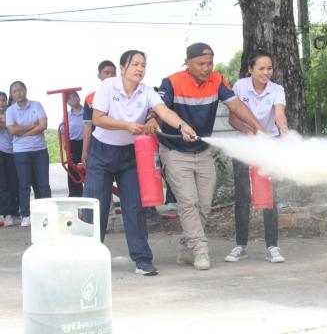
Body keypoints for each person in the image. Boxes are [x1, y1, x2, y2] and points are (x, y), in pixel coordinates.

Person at [150, 42, 264, 271]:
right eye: (200, 64)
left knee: (204, 204)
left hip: (203, 151)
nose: (206, 68)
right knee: (188, 202)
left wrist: (257, 126)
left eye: (209, 63)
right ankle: (201, 250)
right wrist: (156, 119)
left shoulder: (217, 80)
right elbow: (159, 108)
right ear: (187, 63)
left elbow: (235, 105)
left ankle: (186, 244)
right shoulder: (171, 82)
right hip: (174, 151)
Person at [82, 49, 197, 276]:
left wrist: (183, 126)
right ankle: (90, 259)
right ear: (123, 67)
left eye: (143, 65)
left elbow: (163, 111)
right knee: (97, 206)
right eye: (135, 64)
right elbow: (97, 119)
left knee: (134, 206)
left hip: (129, 155)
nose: (140, 69)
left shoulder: (146, 92)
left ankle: (142, 259)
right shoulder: (108, 87)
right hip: (101, 153)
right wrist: (126, 126)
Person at [223, 48, 288, 263]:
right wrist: (250, 133)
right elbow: (233, 119)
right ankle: (240, 245)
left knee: (269, 197)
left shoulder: (277, 89)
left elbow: (279, 114)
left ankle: (272, 247)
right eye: (261, 68)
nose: (266, 72)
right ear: (250, 69)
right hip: (244, 145)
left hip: (269, 146)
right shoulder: (240, 86)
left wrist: (286, 135)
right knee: (242, 197)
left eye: (269, 68)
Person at [6, 81, 51, 227]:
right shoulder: (11, 110)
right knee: (24, 185)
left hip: (39, 150)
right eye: (14, 91)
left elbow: (43, 125)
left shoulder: (36, 105)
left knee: (43, 184)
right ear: (12, 95)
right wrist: (33, 126)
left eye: (20, 90)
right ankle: (26, 214)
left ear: (25, 91)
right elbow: (12, 131)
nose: (18, 93)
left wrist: (24, 133)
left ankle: (47, 213)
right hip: (21, 152)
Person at [81, 60, 117, 166]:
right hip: (98, 146)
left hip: (123, 146)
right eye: (106, 73)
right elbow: (88, 125)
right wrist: (85, 151)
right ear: (99, 75)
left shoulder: (126, 94)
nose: (110, 76)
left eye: (113, 73)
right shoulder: (90, 98)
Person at [0, 91, 20, 227]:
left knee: (14, 183)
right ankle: (6, 214)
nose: (1, 103)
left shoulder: (12, 113)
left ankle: (14, 213)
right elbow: (10, 127)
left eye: (3, 100)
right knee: (3, 184)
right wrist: (8, 125)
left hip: (13, 151)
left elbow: (16, 127)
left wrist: (7, 123)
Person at [60, 91, 84, 197]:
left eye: (74, 96)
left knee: (89, 171)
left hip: (87, 144)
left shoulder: (87, 111)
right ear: (67, 102)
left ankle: (92, 196)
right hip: (73, 145)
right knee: (74, 172)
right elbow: (62, 131)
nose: (73, 99)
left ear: (79, 97)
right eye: (69, 98)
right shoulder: (67, 115)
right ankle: (76, 197)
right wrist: (66, 145)